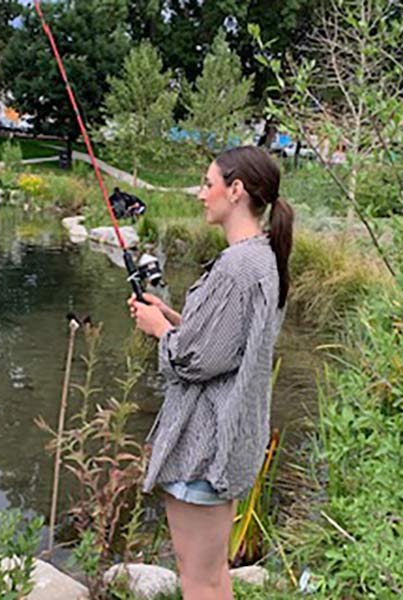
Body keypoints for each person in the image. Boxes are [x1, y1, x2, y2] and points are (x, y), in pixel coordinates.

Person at [127, 146, 293, 600]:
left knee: (197, 580)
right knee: (213, 575)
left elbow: (192, 362)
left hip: (203, 448)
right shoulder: (263, 259)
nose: (201, 194)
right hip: (229, 440)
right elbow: (228, 345)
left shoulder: (238, 266)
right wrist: (176, 319)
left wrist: (158, 330)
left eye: (208, 183)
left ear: (235, 191)